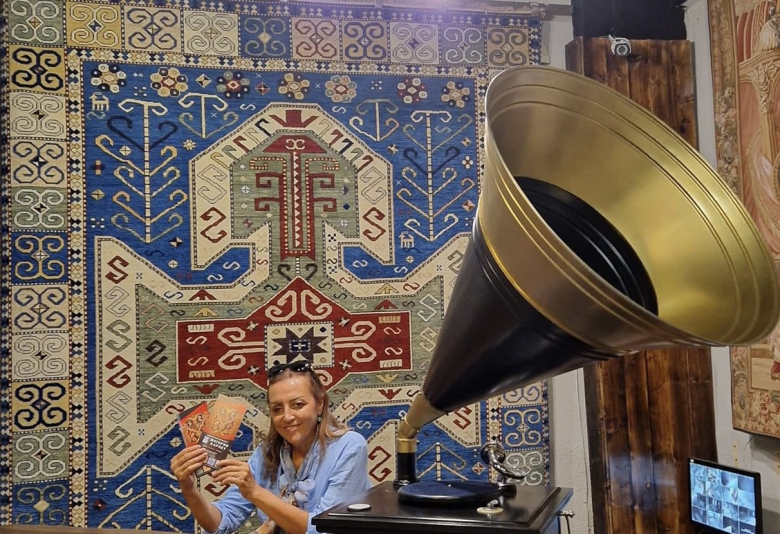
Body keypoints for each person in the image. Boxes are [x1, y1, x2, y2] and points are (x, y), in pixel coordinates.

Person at [171, 360, 372, 534]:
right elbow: (221, 523)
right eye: (277, 408)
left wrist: (255, 491)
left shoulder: (349, 446)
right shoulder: (265, 454)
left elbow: (324, 529)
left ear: (319, 404)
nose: (287, 416)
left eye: (298, 404)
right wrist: (188, 488)